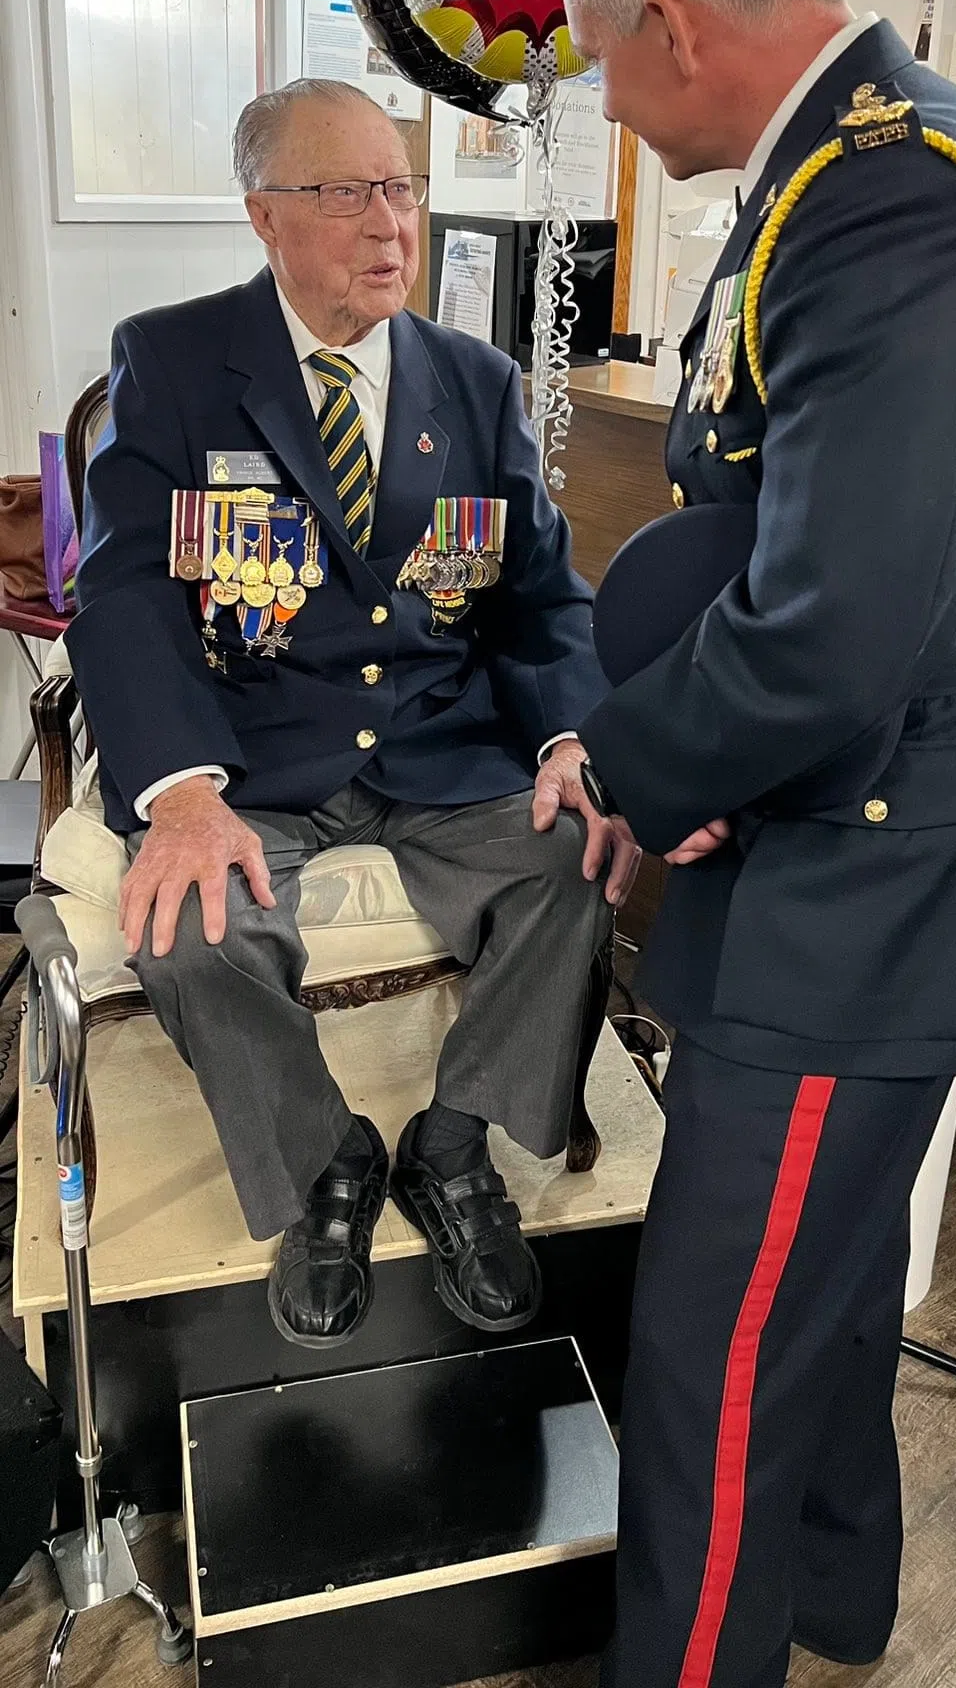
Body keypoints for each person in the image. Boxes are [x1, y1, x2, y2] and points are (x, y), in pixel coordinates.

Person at [558, 0, 956, 1688]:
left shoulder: (897, 197)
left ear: (673, 24)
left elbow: (832, 630)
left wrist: (631, 767)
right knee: (832, 1285)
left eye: (597, 55)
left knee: (717, 1339)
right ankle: (842, 1593)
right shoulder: (871, 159)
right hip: (862, 821)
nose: (604, 101)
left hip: (866, 859)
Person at [68, 79, 640, 1351]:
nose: (390, 224)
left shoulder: (477, 384)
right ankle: (327, 1160)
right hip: (253, 752)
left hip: (440, 739)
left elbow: (544, 595)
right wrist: (180, 791)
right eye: (347, 192)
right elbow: (115, 591)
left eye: (404, 188)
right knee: (189, 924)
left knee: (576, 852)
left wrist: (565, 743)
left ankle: (453, 1139)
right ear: (265, 214)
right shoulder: (173, 362)